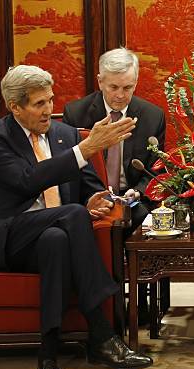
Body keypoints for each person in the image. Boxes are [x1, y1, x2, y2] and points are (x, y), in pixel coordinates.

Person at [0, 65, 153, 369]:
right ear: (15, 106)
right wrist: (86, 149)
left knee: (56, 240)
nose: (49, 109)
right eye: (38, 104)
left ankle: (47, 359)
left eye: (50, 100)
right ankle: (103, 334)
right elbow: (27, 181)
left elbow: (90, 189)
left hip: (51, 235)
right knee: (72, 218)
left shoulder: (62, 134)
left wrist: (96, 199)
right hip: (3, 237)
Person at [63, 47, 166, 231]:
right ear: (100, 82)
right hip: (90, 200)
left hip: (133, 201)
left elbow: (155, 170)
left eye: (127, 88)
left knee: (139, 216)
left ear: (136, 83)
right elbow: (71, 167)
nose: (120, 95)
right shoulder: (75, 114)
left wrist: (138, 192)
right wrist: (94, 197)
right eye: (113, 87)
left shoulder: (153, 116)